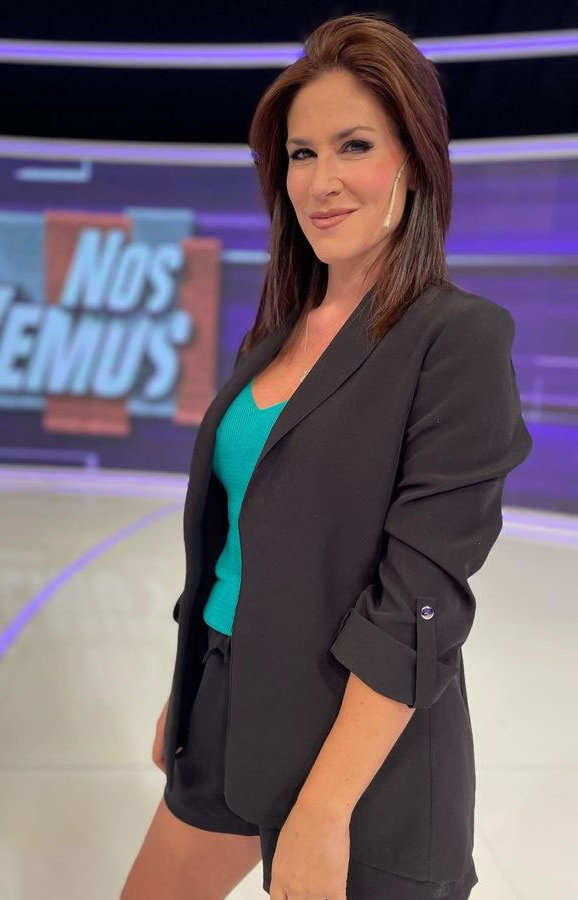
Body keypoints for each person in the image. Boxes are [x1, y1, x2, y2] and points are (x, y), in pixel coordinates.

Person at [121, 12, 532, 900]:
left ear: (414, 160)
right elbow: (240, 539)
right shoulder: (275, 336)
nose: (322, 180)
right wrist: (192, 685)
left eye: (355, 146)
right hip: (229, 694)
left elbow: (419, 599)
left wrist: (323, 807)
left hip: (361, 750)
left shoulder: (456, 340)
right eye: (301, 154)